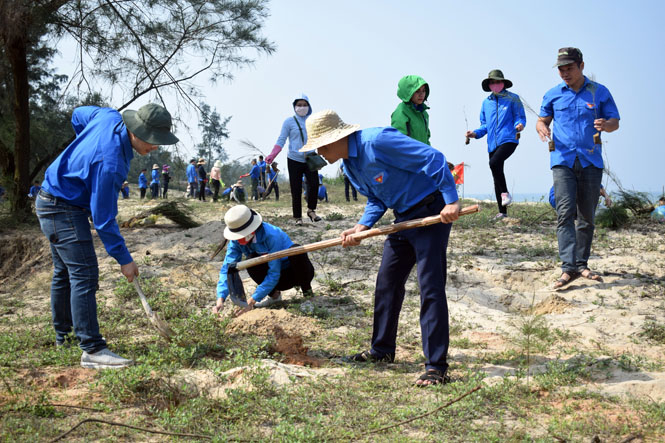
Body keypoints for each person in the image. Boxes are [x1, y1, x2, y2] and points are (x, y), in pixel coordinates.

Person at [300, 110, 460, 387]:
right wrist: (361, 227)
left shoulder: (377, 141)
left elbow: (432, 158)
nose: (321, 153)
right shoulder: (349, 165)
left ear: (337, 138)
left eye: (322, 146)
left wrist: (451, 201)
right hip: (403, 219)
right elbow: (377, 198)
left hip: (431, 212)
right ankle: (382, 350)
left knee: (430, 286)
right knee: (387, 283)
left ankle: (436, 367)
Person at [35, 103, 179, 369]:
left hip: (52, 199)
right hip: (62, 208)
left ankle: (63, 337)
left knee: (64, 273)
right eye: (152, 141)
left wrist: (84, 146)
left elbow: (77, 115)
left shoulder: (107, 116)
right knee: (85, 274)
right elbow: (103, 220)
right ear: (135, 131)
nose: (156, 147)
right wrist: (124, 259)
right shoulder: (110, 162)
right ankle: (92, 349)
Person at [536, 47, 620, 289]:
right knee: (564, 214)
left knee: (587, 216)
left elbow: (615, 122)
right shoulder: (553, 94)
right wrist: (540, 127)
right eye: (561, 69)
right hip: (562, 160)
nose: (565, 73)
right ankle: (567, 268)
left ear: (581, 66)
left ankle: (581, 264)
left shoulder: (599, 92)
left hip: (591, 161)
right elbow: (542, 119)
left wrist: (606, 124)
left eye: (569, 68)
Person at [212, 205, 315, 315]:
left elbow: (274, 272)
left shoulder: (271, 236)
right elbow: (228, 269)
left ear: (252, 229)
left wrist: (252, 301)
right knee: (251, 260)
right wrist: (220, 299)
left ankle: (308, 296)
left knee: (297, 251)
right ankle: (275, 297)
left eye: (242, 235)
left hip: (293, 273)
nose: (239, 239)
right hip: (275, 281)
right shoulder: (236, 241)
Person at [466, 69, 526, 219]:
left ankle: (505, 194)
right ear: (489, 85)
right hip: (492, 143)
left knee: (494, 162)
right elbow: (484, 125)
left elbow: (520, 117)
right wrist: (475, 134)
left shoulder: (513, 99)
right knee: (496, 172)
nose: (495, 84)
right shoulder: (486, 103)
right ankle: (502, 212)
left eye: (497, 82)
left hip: (509, 139)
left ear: (503, 83)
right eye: (492, 82)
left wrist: (520, 125)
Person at [265, 94, 321, 225]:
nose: (302, 107)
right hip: (294, 159)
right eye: (299, 105)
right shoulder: (289, 121)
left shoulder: (313, 121)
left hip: (310, 158)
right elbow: (281, 139)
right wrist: (273, 154)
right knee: (296, 188)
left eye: (304, 105)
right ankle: (297, 217)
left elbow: (320, 138)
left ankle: (311, 210)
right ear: (294, 107)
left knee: (314, 184)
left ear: (309, 106)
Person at [391, 75, 431, 145]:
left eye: (424, 91)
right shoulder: (402, 112)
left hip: (422, 154)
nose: (421, 94)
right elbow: (398, 140)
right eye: (417, 91)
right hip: (407, 154)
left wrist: (429, 153)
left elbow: (426, 138)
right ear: (408, 92)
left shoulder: (424, 114)